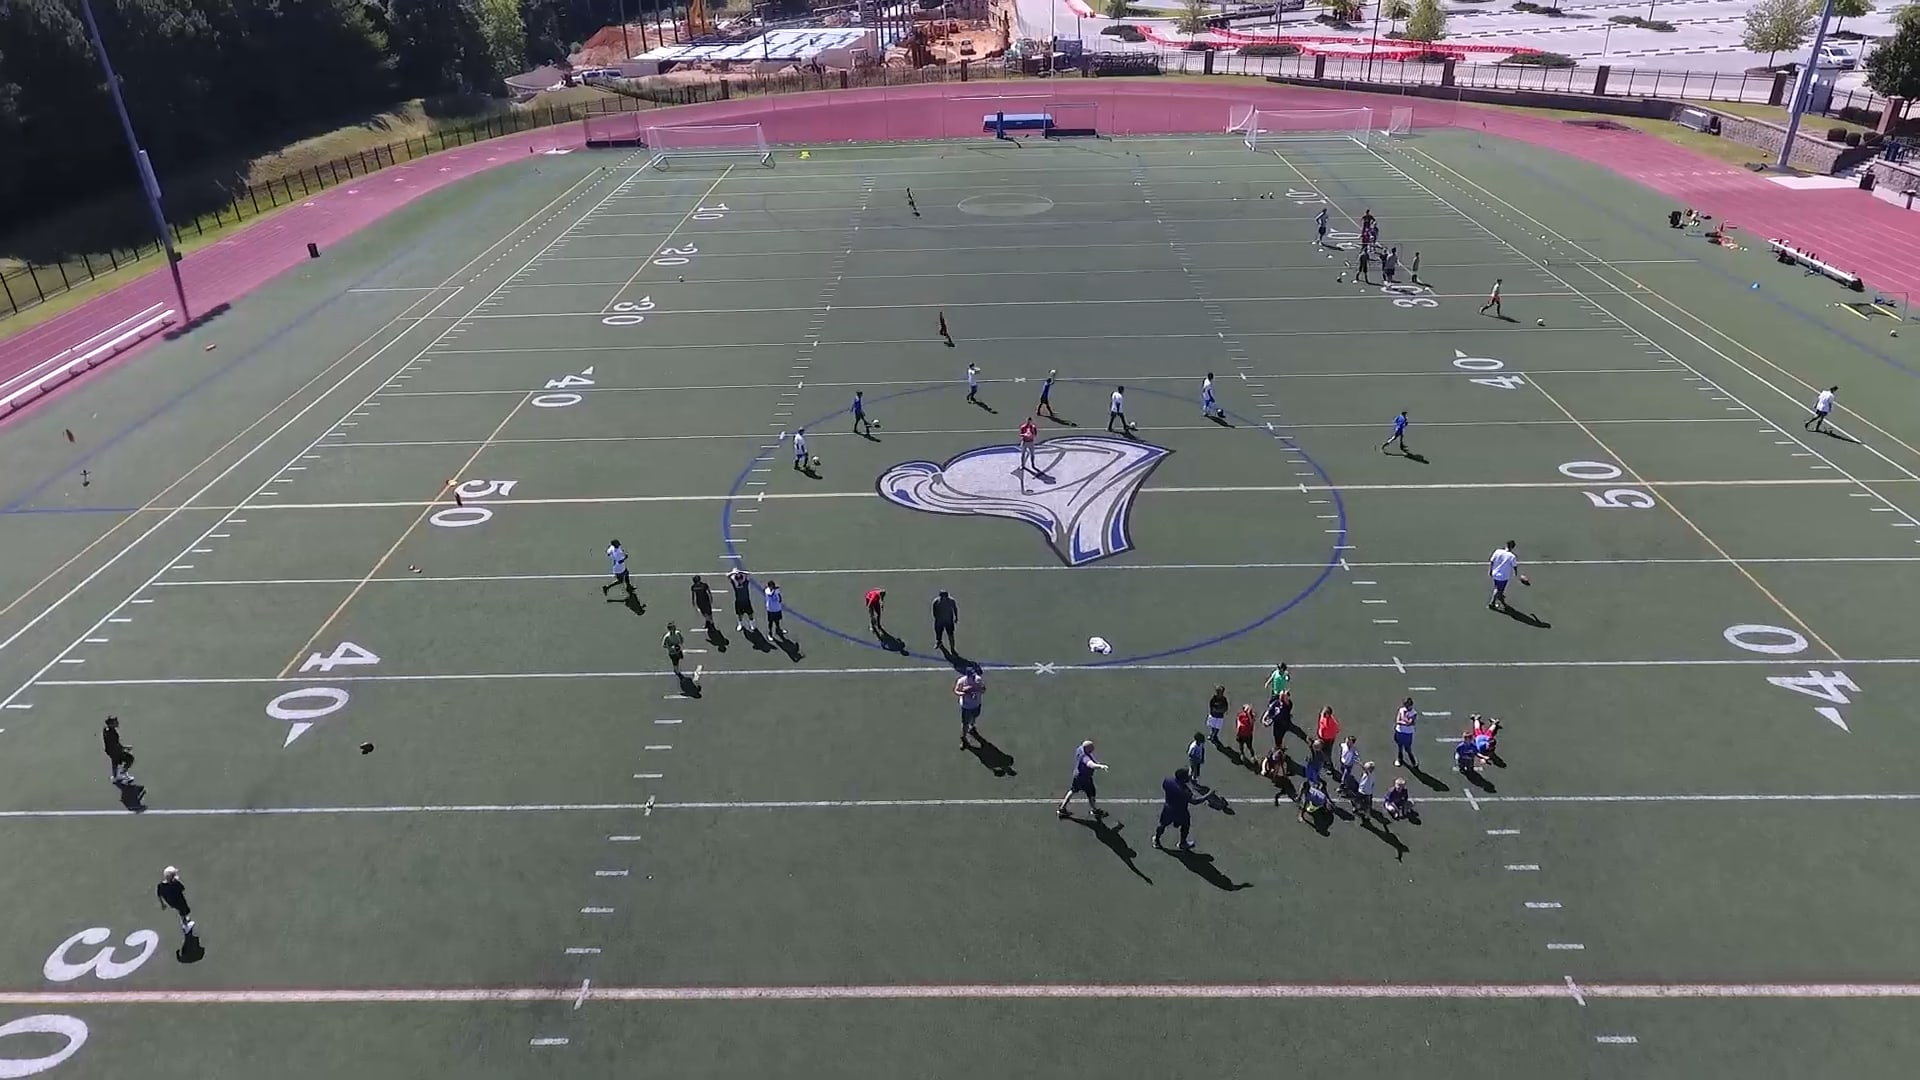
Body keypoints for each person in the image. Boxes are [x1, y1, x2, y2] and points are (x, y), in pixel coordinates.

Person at [1154, 768, 1208, 851]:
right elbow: (1195, 801)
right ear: (1183, 779)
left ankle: (1156, 839)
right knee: (1185, 825)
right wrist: (1207, 796)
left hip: (1168, 808)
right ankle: (1183, 843)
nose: (1189, 777)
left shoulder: (1168, 780)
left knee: (1162, 824)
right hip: (1181, 811)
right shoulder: (1184, 790)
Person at [1057, 740, 1109, 819]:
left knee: (1073, 790)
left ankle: (1062, 808)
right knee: (1091, 793)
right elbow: (1090, 764)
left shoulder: (1080, 749)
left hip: (1077, 775)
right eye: (1091, 748)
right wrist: (1101, 766)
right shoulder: (1085, 757)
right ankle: (1095, 810)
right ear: (1087, 749)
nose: (1093, 749)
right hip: (1085, 778)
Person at [1488, 539, 1529, 612]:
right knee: (1498, 589)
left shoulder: (1497, 551)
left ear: (1506, 545)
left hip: (1495, 573)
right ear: (1513, 547)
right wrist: (1516, 574)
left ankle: (1500, 596)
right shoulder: (1512, 556)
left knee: (1497, 587)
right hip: (1503, 576)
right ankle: (1492, 603)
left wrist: (1490, 571)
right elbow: (1514, 566)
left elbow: (1492, 561)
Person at [157, 866, 195, 937]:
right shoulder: (175, 884)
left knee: (180, 910)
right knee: (183, 911)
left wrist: (162, 904)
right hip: (179, 901)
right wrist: (177, 881)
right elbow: (183, 888)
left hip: (171, 902)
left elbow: (159, 895)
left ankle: (184, 919)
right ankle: (186, 926)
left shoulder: (161, 885)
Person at [954, 666, 984, 748]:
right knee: (965, 723)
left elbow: (983, 689)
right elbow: (956, 690)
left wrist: (977, 688)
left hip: (976, 704)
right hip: (966, 706)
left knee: (974, 717)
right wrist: (963, 693)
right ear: (968, 675)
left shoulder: (978, 680)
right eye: (972, 675)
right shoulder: (962, 681)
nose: (974, 676)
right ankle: (963, 738)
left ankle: (972, 727)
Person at [103, 715, 134, 786]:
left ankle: (115, 777)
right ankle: (123, 773)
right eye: (115, 722)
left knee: (115, 764)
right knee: (130, 759)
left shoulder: (107, 730)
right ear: (111, 724)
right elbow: (116, 745)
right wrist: (125, 748)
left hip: (110, 751)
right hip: (115, 752)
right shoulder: (112, 734)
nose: (117, 723)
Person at [727, 566, 757, 634]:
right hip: (738, 601)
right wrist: (733, 572)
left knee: (750, 613)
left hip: (746, 600)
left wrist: (740, 571)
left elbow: (749, 574)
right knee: (739, 614)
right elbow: (727, 576)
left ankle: (752, 624)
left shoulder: (745, 581)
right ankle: (740, 624)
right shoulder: (734, 583)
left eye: (739, 575)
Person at [1393, 697, 1419, 769]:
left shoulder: (1414, 713)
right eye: (1405, 705)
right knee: (1399, 747)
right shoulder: (1401, 709)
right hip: (1399, 731)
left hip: (1408, 734)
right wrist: (1405, 721)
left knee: (1407, 749)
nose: (1406, 707)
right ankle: (1400, 760)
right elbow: (1397, 721)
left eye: (1408, 706)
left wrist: (1404, 717)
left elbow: (1409, 723)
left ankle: (1413, 762)